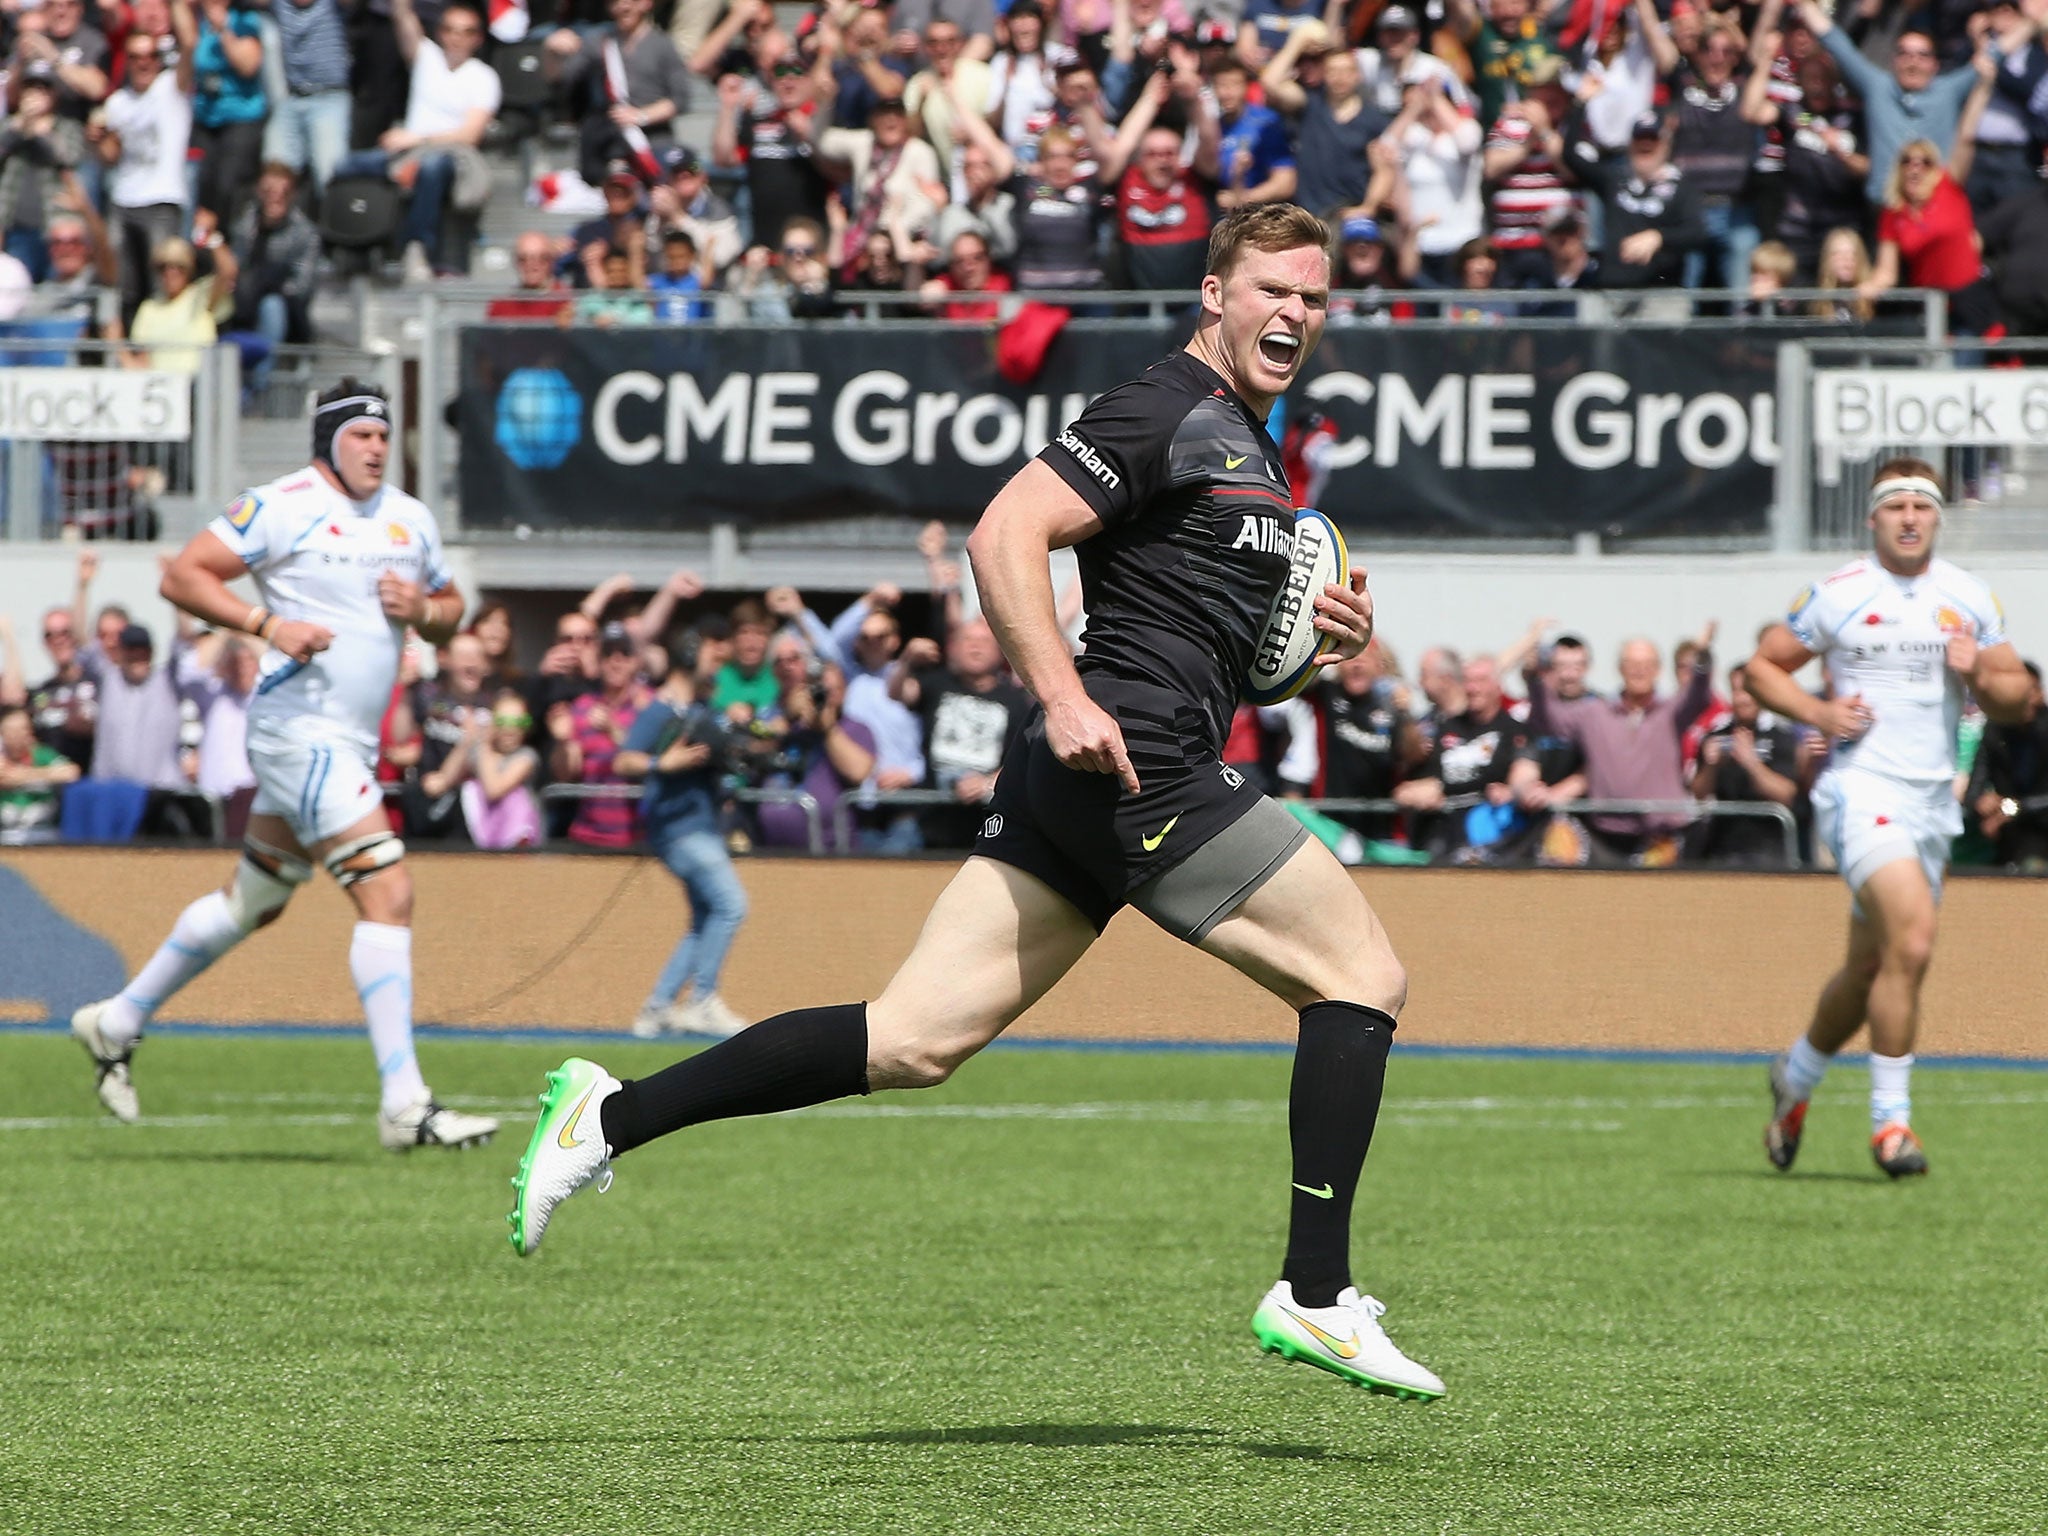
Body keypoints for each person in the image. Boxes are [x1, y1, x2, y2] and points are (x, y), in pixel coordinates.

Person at [507, 204, 1446, 1405]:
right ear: (1213, 294)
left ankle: (609, 1115)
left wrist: (1321, 646)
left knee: (910, 1040)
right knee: (1360, 977)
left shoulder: (1250, 446)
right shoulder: (1161, 405)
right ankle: (1313, 1295)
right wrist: (1057, 691)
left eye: (1312, 298)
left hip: (1093, 770)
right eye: (1270, 290)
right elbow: (1006, 532)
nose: (1292, 315)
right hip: (1129, 757)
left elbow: (1227, 636)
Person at [69, 379, 499, 1154]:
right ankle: (405, 1104)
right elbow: (185, 574)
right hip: (300, 731)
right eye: (361, 434)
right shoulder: (283, 502)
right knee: (389, 892)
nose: (376, 446)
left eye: (383, 434)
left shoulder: (410, 519)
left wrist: (422, 613)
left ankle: (117, 1018)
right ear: (330, 440)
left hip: (346, 741)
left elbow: (450, 608)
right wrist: (268, 622)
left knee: (256, 900)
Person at [1744, 456, 2031, 1178]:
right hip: (1861, 793)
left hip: (1933, 804)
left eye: (1922, 507)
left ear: (1938, 517)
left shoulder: (1966, 597)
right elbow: (1762, 667)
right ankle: (1891, 1127)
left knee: (1872, 963)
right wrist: (1817, 710)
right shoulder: (1841, 592)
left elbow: (2018, 700)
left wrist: (1982, 675)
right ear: (1873, 518)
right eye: (1896, 506)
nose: (1909, 518)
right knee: (1915, 937)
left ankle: (1796, 1079)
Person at [617, 654, 750, 1041]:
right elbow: (624, 760)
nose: (720, 661)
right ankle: (702, 1000)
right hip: (680, 830)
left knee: (704, 920)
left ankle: (657, 1008)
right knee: (732, 905)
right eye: (714, 649)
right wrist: (664, 761)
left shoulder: (702, 710)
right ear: (689, 651)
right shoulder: (661, 710)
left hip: (701, 826)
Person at [335, 0, 500, 283]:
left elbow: (469, 136)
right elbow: (402, 14)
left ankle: (417, 246)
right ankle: (349, 246)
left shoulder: (484, 77)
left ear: (478, 38)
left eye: (466, 31)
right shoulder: (426, 57)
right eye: (450, 30)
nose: (457, 38)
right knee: (345, 166)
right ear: (440, 32)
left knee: (432, 167)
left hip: (450, 157)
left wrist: (415, 139)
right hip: (406, 154)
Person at [97, 26, 190, 317]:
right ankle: (122, 348)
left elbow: (190, 43)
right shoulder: (118, 102)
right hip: (124, 198)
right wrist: (99, 137)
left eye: (150, 55)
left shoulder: (171, 87)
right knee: (121, 285)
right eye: (135, 56)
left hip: (162, 198)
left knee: (161, 284)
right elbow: (109, 156)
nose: (143, 62)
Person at [1690, 662, 1804, 866]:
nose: (1743, 699)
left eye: (1748, 691)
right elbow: (1698, 795)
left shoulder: (1780, 735)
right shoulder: (1715, 735)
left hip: (1769, 851)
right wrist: (1710, 766)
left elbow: (1786, 794)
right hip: (1720, 850)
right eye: (1736, 691)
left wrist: (1751, 762)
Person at [1966, 662, 2048, 870]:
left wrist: (2011, 808)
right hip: (2005, 836)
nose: (2025, 699)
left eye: (2030, 692)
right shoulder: (1994, 731)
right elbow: (1974, 789)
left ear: (2039, 694)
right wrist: (1981, 802)